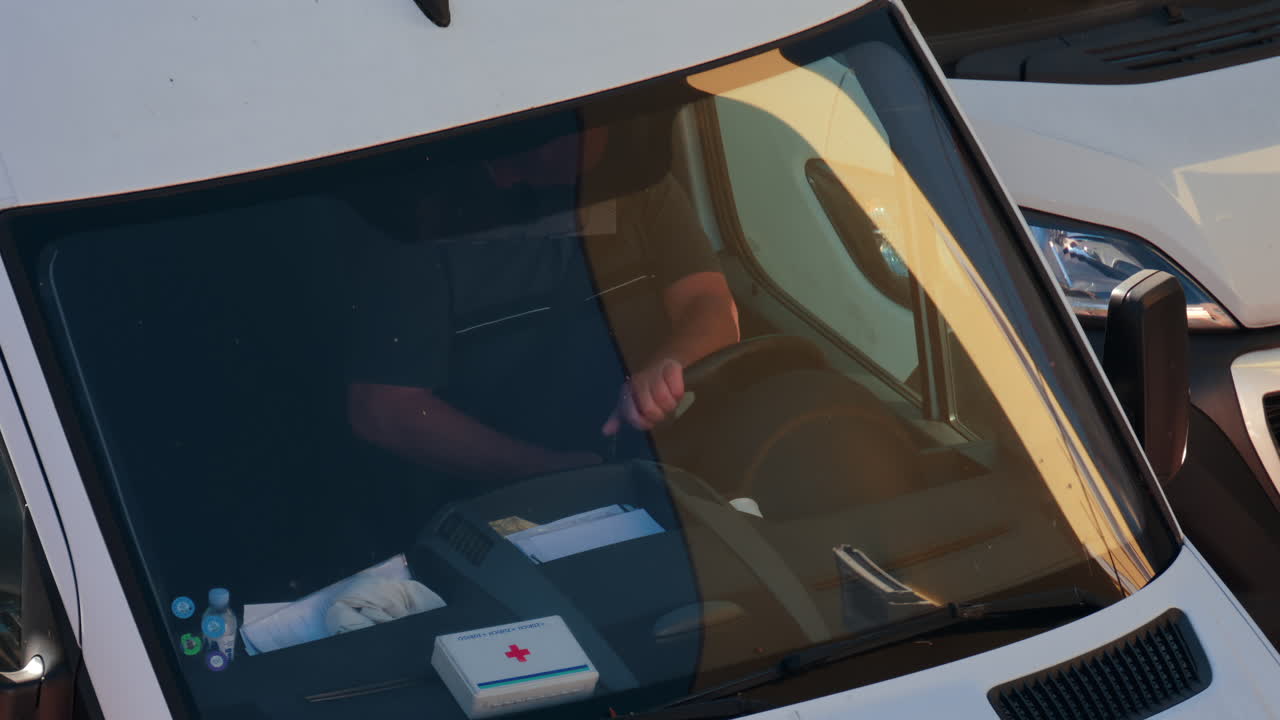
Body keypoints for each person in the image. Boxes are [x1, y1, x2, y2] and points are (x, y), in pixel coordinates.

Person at [344, 122, 739, 483]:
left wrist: (664, 370)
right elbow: (383, 408)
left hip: (655, 473)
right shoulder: (420, 226)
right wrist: (544, 470)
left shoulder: (638, 186)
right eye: (578, 121)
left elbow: (712, 306)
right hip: (493, 497)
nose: (602, 124)